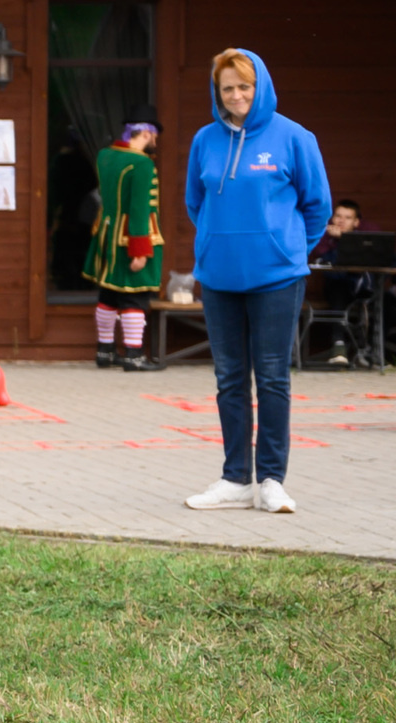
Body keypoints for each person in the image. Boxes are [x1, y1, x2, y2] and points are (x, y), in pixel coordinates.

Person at [181, 48, 332, 514]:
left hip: (277, 279)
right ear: (217, 92)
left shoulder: (294, 138)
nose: (236, 95)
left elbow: (318, 206)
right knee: (229, 380)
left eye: (244, 86)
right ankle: (234, 479)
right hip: (220, 278)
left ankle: (270, 480)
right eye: (227, 88)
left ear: (259, 85)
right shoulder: (204, 140)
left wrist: (287, 249)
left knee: (271, 379)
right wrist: (212, 244)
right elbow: (195, 202)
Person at [82, 106, 162, 370]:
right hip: (130, 238)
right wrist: (141, 249)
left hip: (106, 233)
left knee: (108, 293)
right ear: (146, 133)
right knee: (133, 296)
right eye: (155, 135)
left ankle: (104, 351)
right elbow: (139, 209)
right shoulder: (141, 164)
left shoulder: (105, 155)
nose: (156, 142)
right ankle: (133, 354)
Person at [307, 198, 366, 367]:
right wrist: (340, 240)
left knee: (383, 301)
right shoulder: (324, 238)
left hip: (363, 289)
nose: (341, 220)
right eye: (338, 216)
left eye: (347, 217)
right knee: (338, 289)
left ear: (356, 222)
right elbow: (328, 260)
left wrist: (346, 239)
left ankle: (369, 352)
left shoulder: (365, 239)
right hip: (334, 290)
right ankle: (338, 346)